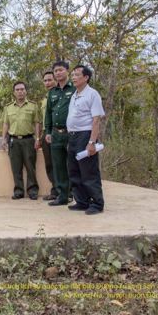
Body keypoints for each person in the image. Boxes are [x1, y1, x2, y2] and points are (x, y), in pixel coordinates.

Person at [66, 65, 105, 215]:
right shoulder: (74, 94)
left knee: (89, 171)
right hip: (73, 137)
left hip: (85, 136)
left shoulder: (92, 94)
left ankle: (97, 203)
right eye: (73, 75)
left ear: (86, 77)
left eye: (77, 75)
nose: (73, 77)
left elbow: (96, 120)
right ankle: (82, 201)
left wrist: (91, 142)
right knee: (74, 171)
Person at [1, 81, 42, 200]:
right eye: (17, 90)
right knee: (16, 167)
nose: (20, 92)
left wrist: (38, 138)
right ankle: (18, 191)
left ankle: (32, 190)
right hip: (14, 141)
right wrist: (3, 139)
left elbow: (37, 123)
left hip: (29, 140)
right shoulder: (8, 107)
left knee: (30, 167)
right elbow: (5, 124)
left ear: (26, 91)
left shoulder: (33, 106)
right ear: (14, 92)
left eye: (22, 89)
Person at [44, 60, 76, 206]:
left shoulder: (75, 89)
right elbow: (48, 113)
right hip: (56, 133)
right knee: (58, 166)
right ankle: (62, 196)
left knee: (73, 164)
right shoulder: (52, 92)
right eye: (56, 71)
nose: (58, 73)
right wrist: (49, 131)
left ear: (67, 71)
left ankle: (76, 194)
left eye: (61, 70)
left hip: (71, 133)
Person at [40, 71, 58, 201]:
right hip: (46, 133)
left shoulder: (61, 95)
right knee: (49, 164)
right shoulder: (45, 99)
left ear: (55, 80)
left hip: (58, 132)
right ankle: (55, 190)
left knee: (61, 163)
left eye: (50, 80)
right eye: (45, 81)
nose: (47, 83)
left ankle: (67, 192)